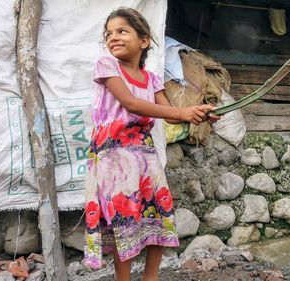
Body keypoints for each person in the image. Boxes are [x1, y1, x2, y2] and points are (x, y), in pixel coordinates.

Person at [82, 7, 218, 281]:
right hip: (113, 157)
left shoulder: (152, 79)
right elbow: (131, 104)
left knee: (159, 212)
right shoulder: (107, 66)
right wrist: (182, 113)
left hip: (145, 155)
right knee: (126, 220)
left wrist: (199, 114)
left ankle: (151, 277)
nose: (113, 37)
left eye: (122, 31)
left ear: (143, 41)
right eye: (109, 34)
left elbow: (169, 115)